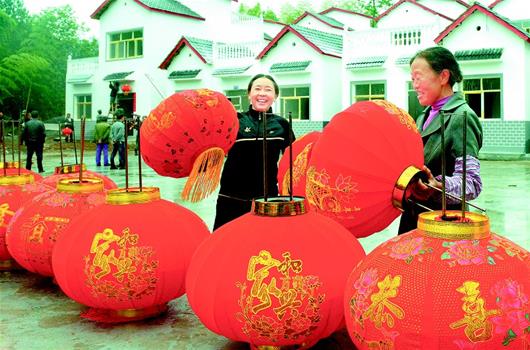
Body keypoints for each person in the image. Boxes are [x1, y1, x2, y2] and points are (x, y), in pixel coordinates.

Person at [398, 46, 483, 234]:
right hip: (414, 218)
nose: (415, 85)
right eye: (412, 79)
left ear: (444, 77)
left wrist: (437, 187)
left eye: (418, 77)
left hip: (444, 226)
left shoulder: (462, 117)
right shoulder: (424, 116)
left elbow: (471, 183)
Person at [213, 74, 294, 230]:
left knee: (263, 247)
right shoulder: (234, 120)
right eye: (257, 89)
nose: (262, 93)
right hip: (231, 197)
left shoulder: (282, 124)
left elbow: (294, 160)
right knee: (226, 243)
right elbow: (215, 151)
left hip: (267, 199)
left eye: (268, 89)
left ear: (275, 96)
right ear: (249, 94)